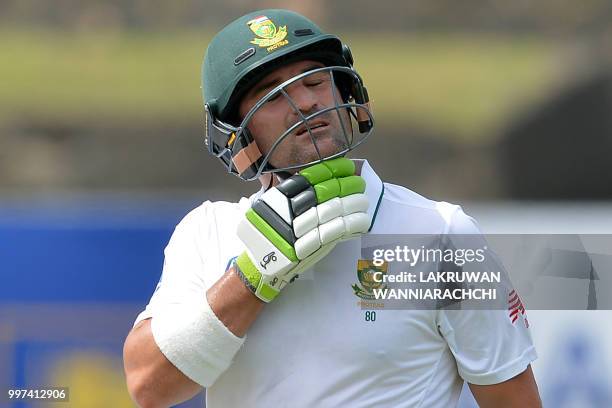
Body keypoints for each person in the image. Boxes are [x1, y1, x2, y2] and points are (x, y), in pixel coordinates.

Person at [123, 9, 541, 408]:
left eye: (314, 80)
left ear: (347, 92)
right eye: (272, 94)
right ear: (235, 135)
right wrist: (253, 276)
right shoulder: (207, 231)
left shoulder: (440, 232)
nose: (305, 103)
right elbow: (148, 387)